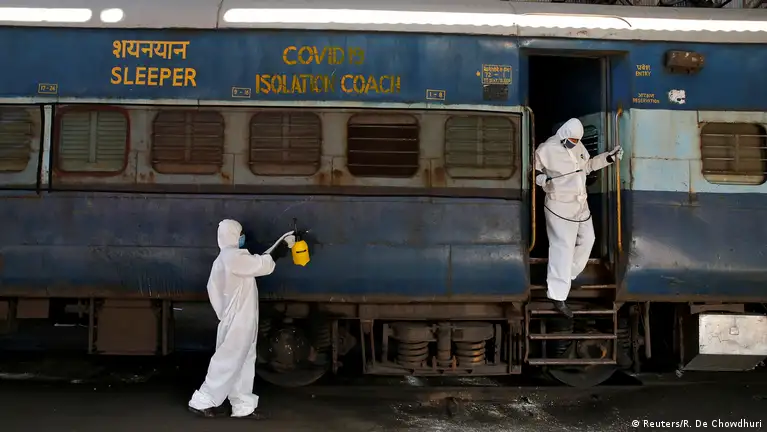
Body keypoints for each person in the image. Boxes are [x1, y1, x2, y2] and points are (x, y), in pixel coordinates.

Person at [188, 219, 294, 419]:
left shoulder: (225, 259)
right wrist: (281, 248)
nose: (243, 237)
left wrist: (280, 243)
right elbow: (262, 265)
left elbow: (257, 262)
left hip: (237, 318)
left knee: (243, 360)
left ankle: (243, 405)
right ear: (234, 235)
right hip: (239, 319)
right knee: (228, 359)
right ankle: (203, 400)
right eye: (240, 233)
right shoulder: (233, 257)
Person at [534, 118, 623, 318]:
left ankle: (567, 275)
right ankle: (557, 295)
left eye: (576, 141)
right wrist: (541, 178)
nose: (573, 143)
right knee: (562, 248)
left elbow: (588, 166)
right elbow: (533, 170)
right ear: (563, 134)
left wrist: (609, 158)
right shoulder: (546, 149)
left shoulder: (578, 147)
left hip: (580, 204)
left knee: (589, 239)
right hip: (559, 206)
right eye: (571, 140)